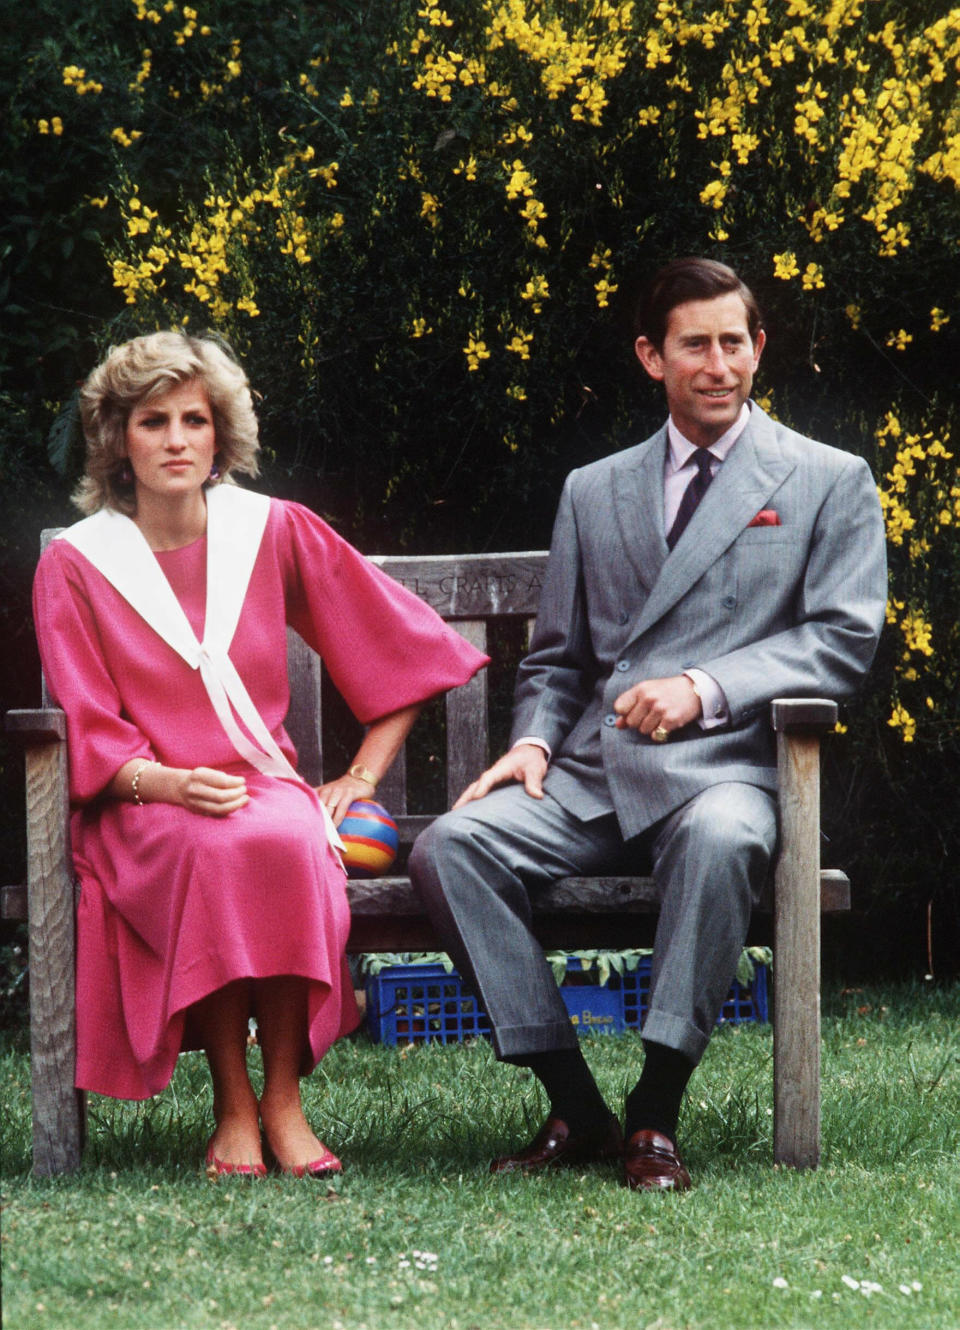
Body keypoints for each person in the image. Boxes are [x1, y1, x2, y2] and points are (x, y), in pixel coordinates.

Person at [409, 257, 887, 1191]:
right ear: (651, 357)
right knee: (452, 847)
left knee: (718, 840)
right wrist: (534, 741)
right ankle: (577, 1105)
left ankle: (654, 1112)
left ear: (759, 348)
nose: (719, 364)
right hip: (591, 772)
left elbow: (842, 639)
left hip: (729, 771)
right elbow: (556, 660)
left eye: (735, 342)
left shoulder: (828, 479)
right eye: (695, 344)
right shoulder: (595, 489)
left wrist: (703, 686)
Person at [33, 330, 488, 1179]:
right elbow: (89, 725)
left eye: (193, 420)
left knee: (279, 839)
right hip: (140, 802)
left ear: (219, 436)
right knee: (214, 849)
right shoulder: (76, 564)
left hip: (258, 785)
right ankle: (233, 1106)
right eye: (153, 421)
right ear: (117, 441)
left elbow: (408, 650)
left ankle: (284, 1099)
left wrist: (359, 776)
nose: (175, 439)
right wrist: (166, 781)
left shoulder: (269, 530)